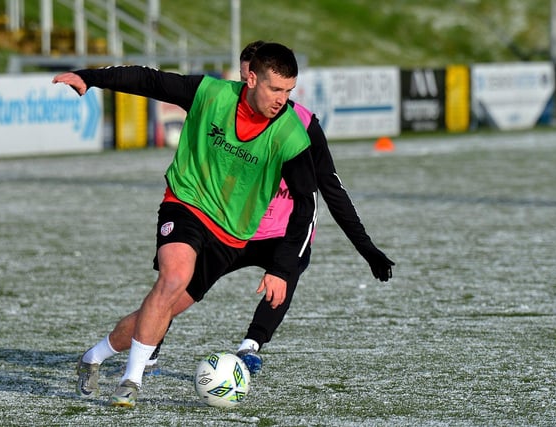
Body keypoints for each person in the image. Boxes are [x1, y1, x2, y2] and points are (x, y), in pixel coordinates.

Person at [52, 42, 318, 408]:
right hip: (186, 203)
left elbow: (306, 206)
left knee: (165, 307)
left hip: (231, 236)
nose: (282, 99)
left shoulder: (291, 134)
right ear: (251, 78)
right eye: (275, 89)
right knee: (173, 278)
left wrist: (281, 268)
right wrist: (90, 77)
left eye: (289, 91)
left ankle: (92, 358)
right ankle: (131, 382)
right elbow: (150, 81)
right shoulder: (210, 94)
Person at [147, 40, 395, 375]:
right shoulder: (224, 105)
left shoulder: (302, 125)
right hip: (230, 226)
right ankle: (149, 344)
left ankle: (250, 346)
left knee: (292, 262)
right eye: (243, 72)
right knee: (181, 285)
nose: (246, 79)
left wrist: (366, 247)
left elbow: (329, 189)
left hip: (278, 231)